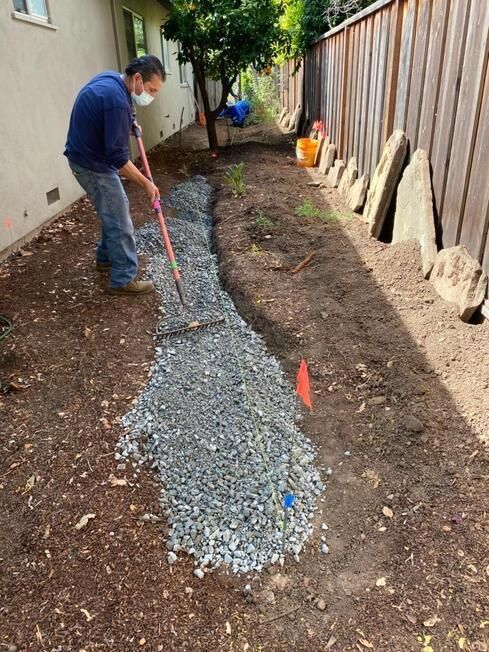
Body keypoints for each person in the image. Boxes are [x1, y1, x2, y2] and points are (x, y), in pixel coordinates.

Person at [64, 55, 165, 295]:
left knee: (113, 209)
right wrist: (147, 184)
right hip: (92, 164)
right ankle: (123, 279)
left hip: (86, 155)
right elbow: (119, 160)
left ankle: (105, 258)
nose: (152, 95)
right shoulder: (116, 101)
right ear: (137, 78)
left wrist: (129, 123)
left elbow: (112, 115)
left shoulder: (112, 79)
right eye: (151, 90)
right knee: (119, 217)